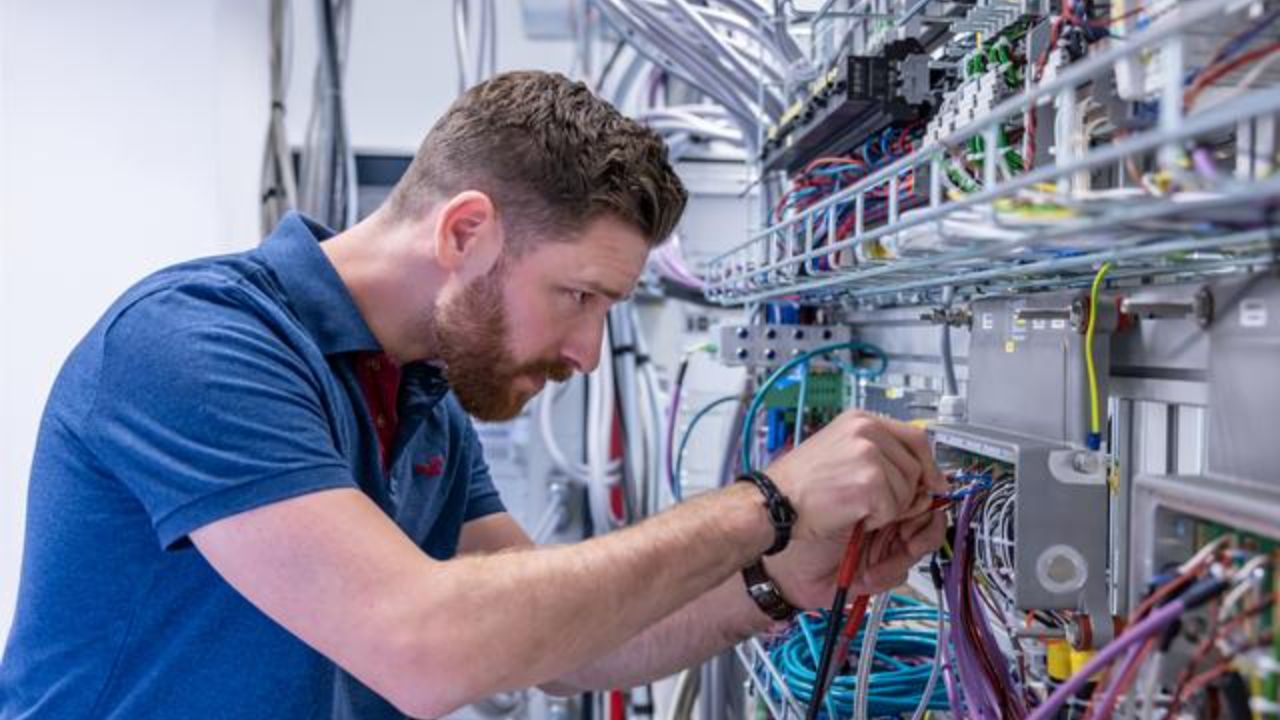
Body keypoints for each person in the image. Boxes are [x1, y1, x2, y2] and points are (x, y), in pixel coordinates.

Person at [0, 70, 945, 719]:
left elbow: (566, 646)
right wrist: (766, 505)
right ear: (465, 233)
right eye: (578, 297)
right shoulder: (197, 343)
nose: (584, 353)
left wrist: (780, 584)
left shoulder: (419, 399)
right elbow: (425, 649)